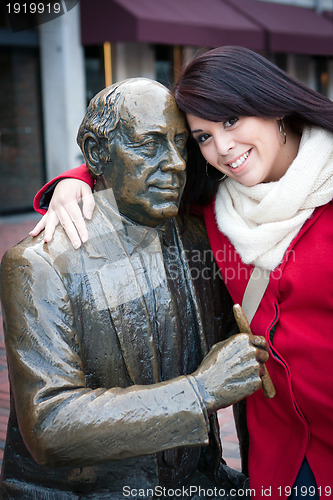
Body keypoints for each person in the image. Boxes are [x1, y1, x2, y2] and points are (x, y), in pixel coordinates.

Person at [31, 47, 333, 500]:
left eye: (230, 120)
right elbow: (136, 171)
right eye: (203, 137)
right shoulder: (215, 202)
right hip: (284, 459)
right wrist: (78, 178)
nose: (223, 148)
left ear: (273, 104)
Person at [0, 77, 270, 499]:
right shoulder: (40, 265)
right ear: (96, 153)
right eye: (150, 144)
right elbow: (50, 424)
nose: (176, 163)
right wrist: (199, 392)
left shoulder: (203, 238)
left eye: (181, 144)